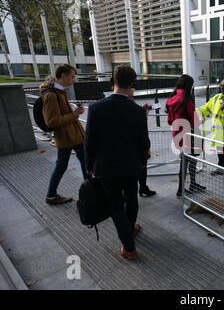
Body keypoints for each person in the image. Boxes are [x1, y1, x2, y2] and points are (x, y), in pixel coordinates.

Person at [84, 65, 150, 260]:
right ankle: (130, 230)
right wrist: (142, 162)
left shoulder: (96, 107)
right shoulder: (138, 111)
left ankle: (129, 246)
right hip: (131, 166)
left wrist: (88, 165)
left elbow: (90, 141)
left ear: (113, 81)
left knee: (116, 207)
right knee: (131, 200)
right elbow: (143, 142)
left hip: (106, 167)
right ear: (132, 83)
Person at [41, 64, 87, 205]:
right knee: (63, 166)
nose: (73, 80)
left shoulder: (60, 92)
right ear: (63, 76)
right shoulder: (51, 95)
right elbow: (52, 121)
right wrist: (74, 114)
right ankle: (51, 195)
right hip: (66, 138)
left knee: (86, 163)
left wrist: (74, 115)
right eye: (72, 77)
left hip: (74, 136)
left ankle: (91, 192)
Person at [166, 74, 206, 197]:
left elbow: (169, 120)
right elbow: (194, 121)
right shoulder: (186, 100)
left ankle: (188, 186)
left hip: (178, 135)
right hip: (189, 135)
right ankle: (181, 190)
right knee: (190, 162)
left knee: (185, 162)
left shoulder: (171, 99)